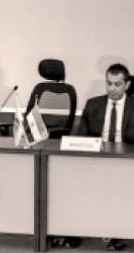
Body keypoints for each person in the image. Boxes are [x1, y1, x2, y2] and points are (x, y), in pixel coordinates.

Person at [64, 63, 133, 251]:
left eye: (117, 84)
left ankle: (117, 234)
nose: (112, 89)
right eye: (109, 83)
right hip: (95, 161)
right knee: (71, 180)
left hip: (125, 164)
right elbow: (80, 138)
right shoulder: (93, 104)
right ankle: (74, 231)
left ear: (127, 85)